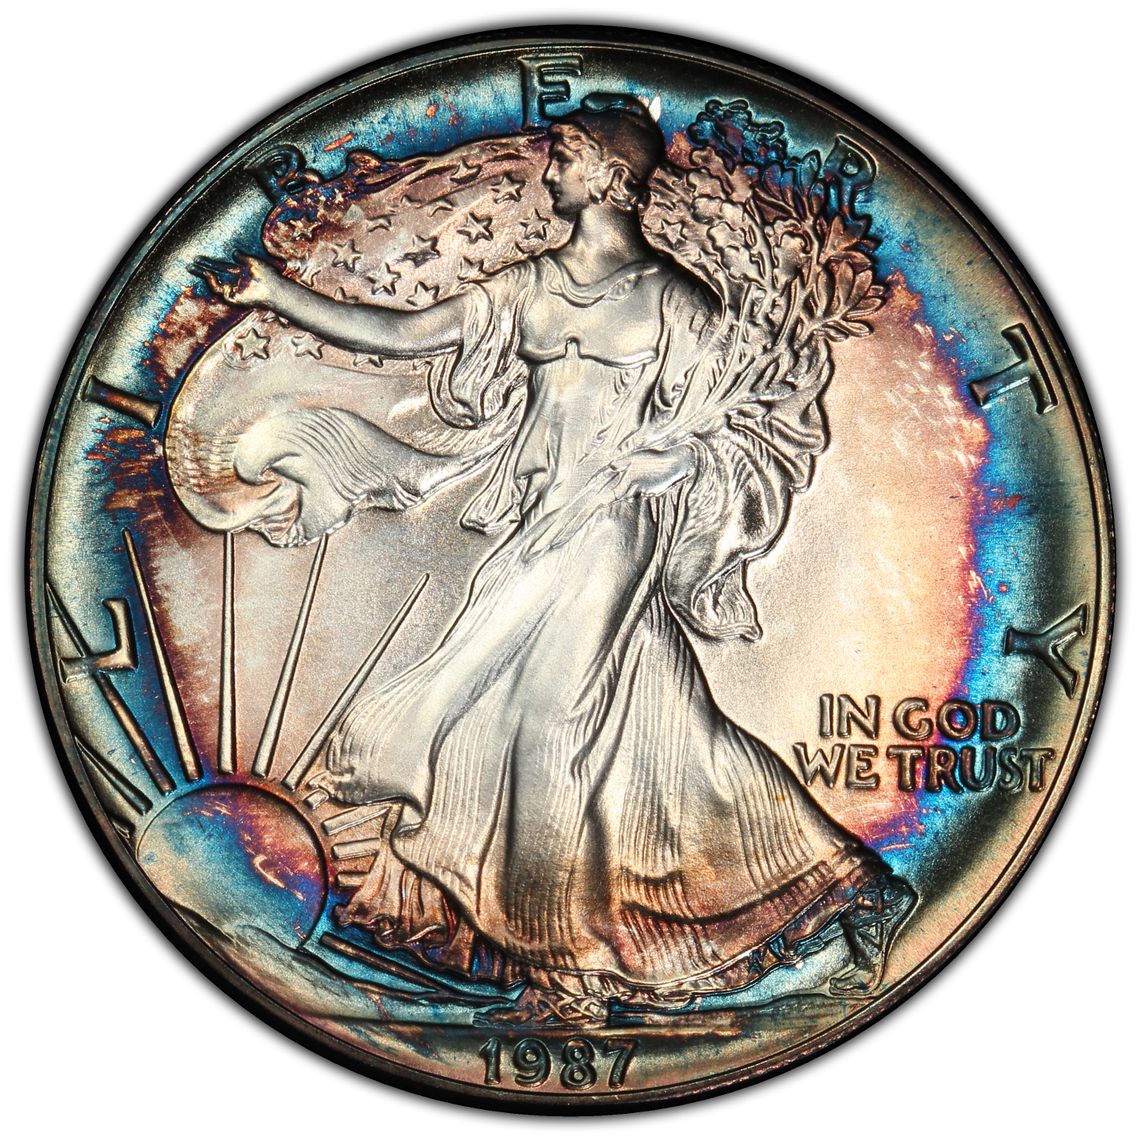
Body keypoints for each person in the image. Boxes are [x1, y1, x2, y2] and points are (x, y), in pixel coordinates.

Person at [197, 92, 915, 1023]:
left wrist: (671, 458)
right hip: (534, 522)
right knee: (670, 737)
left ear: (611, 177)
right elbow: (405, 335)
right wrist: (273, 293)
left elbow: (733, 426)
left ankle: (567, 973)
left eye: (567, 154)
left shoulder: (675, 303)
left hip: (611, 528)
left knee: (543, 726)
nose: (550, 169)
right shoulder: (528, 286)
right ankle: (848, 890)